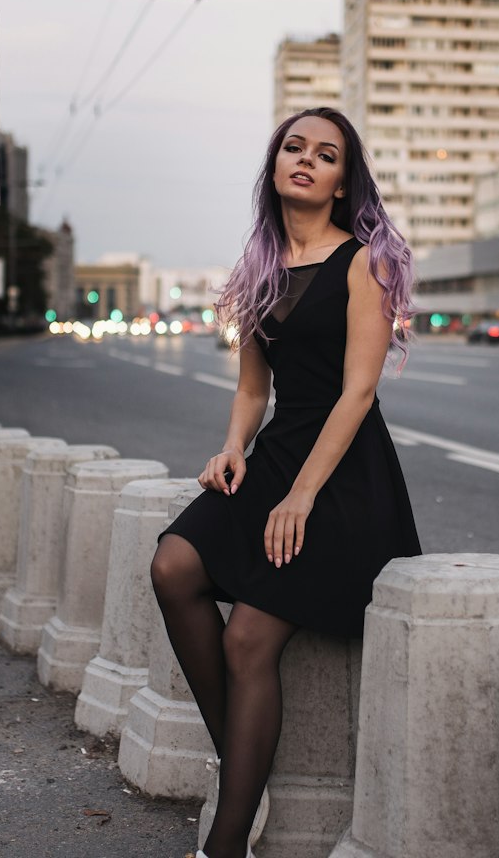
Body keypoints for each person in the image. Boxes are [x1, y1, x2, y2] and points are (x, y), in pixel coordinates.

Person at [150, 107, 421, 858]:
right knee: (173, 564)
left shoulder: (364, 262)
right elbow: (250, 391)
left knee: (247, 639)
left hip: (342, 472)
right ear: (275, 167)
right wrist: (231, 447)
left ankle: (226, 841)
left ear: (341, 183)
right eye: (293, 148)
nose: (306, 160)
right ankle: (245, 763)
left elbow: (358, 393)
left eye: (325, 155)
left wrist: (301, 494)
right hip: (273, 454)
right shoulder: (260, 268)